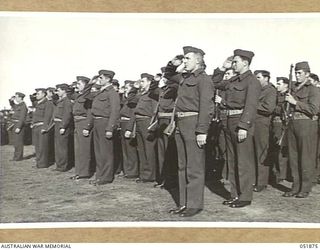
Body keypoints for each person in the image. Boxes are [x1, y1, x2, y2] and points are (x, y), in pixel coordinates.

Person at [168, 46, 213, 217]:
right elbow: (169, 74)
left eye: (187, 58)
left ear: (198, 60)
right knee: (182, 166)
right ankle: (184, 203)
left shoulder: (203, 79)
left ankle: (194, 205)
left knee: (194, 166)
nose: (184, 61)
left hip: (193, 123)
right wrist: (173, 63)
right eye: (184, 58)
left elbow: (206, 107)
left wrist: (202, 130)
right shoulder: (184, 77)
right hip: (181, 122)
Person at [215, 49, 261, 208]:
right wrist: (221, 68)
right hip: (228, 121)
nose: (233, 64)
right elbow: (214, 82)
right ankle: (235, 194)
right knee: (232, 160)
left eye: (235, 61)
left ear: (245, 63)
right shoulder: (232, 80)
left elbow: (251, 105)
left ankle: (245, 196)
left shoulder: (252, 81)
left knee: (243, 161)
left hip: (240, 122)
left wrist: (243, 126)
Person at [283, 61, 320, 198]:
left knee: (306, 157)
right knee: (293, 158)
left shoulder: (313, 89)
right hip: (292, 124)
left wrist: (295, 103)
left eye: (300, 73)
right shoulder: (294, 89)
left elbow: (314, 109)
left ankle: (305, 188)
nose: (297, 76)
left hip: (307, 124)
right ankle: (295, 186)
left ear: (307, 74)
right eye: (296, 73)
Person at [87, 70, 120, 185]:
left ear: (108, 79)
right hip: (97, 123)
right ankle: (100, 176)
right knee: (99, 151)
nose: (99, 80)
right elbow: (86, 95)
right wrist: (91, 83)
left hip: (105, 122)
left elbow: (115, 111)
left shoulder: (112, 93)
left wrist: (110, 128)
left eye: (101, 78)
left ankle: (106, 177)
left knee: (105, 152)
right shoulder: (100, 92)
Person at [125, 73, 159, 184]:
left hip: (147, 122)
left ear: (150, 82)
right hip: (139, 122)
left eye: (143, 81)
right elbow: (130, 100)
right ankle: (144, 174)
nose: (141, 83)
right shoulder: (141, 94)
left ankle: (149, 175)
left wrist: (153, 126)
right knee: (142, 150)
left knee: (148, 149)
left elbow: (155, 111)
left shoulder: (152, 95)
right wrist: (135, 87)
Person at [253, 70, 277, 192]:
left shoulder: (270, 91)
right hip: (253, 123)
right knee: (252, 152)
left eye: (258, 77)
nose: (256, 80)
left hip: (262, 124)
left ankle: (261, 182)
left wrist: (252, 104)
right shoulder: (256, 90)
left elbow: (268, 108)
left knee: (261, 152)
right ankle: (254, 180)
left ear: (266, 78)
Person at [70, 76, 95, 180]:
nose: (77, 86)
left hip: (83, 123)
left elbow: (90, 112)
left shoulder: (88, 97)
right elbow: (69, 94)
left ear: (85, 86)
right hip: (77, 123)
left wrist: (87, 127)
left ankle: (84, 173)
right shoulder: (78, 96)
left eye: (79, 84)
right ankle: (78, 172)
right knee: (78, 149)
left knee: (84, 150)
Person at [270, 77, 290, 184]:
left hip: (282, 123)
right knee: (274, 149)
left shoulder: (288, 96)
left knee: (281, 149)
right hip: (274, 123)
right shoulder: (277, 95)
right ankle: (276, 173)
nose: (277, 85)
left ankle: (281, 175)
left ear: (286, 85)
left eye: (279, 84)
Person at [119, 80, 140, 179]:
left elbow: (133, 113)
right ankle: (127, 170)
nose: (125, 90)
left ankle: (132, 171)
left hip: (129, 123)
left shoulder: (133, 98)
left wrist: (132, 90)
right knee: (125, 149)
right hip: (123, 123)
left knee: (130, 149)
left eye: (127, 88)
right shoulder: (126, 99)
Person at [52, 84, 74, 172]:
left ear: (64, 91)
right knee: (57, 146)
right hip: (57, 124)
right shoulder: (60, 101)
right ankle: (59, 165)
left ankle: (62, 166)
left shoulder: (67, 101)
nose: (57, 92)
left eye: (59, 90)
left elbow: (67, 115)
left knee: (62, 147)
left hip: (61, 124)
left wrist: (63, 126)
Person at [31, 88, 54, 168]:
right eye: (36, 94)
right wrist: (33, 123)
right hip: (36, 126)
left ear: (44, 94)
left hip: (42, 127)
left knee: (42, 146)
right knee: (37, 146)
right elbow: (35, 115)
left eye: (38, 94)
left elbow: (48, 116)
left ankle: (43, 163)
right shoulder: (38, 103)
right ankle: (39, 162)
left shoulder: (48, 103)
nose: (36, 95)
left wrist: (45, 127)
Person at [9, 92, 28, 161]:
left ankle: (18, 157)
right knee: (15, 142)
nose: (15, 98)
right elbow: (13, 105)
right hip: (14, 124)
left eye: (16, 97)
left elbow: (22, 118)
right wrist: (11, 100)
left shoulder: (23, 106)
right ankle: (16, 156)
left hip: (18, 125)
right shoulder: (18, 105)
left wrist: (19, 127)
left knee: (18, 142)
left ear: (20, 97)